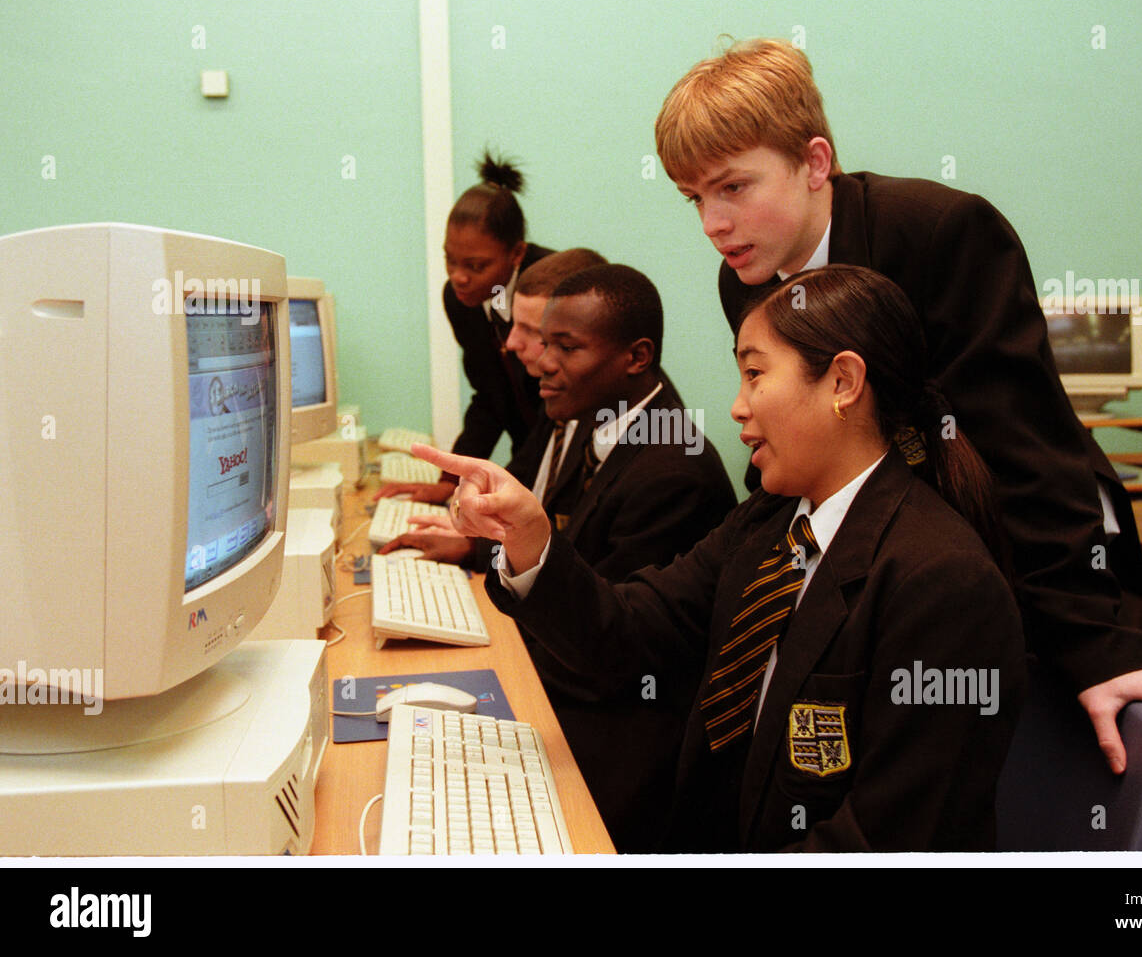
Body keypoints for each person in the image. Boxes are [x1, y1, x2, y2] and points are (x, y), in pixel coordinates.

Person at [653, 37, 1142, 772]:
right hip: (900, 553)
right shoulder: (745, 277)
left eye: (733, 188)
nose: (713, 223)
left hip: (1021, 541)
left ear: (815, 163)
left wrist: (1095, 640)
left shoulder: (941, 232)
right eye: (694, 198)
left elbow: (1022, 444)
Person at [414, 266, 1026, 852]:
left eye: (755, 375)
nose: (737, 406)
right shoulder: (772, 519)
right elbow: (629, 631)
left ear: (843, 382)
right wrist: (528, 538)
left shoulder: (942, 583)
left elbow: (884, 842)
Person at [396, 263, 737, 851]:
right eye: (543, 342)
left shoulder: (672, 471)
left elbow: (610, 649)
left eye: (566, 347)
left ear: (636, 356)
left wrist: (475, 696)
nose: (541, 363)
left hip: (626, 741)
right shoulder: (593, 417)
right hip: (583, 686)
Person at [381, 151, 551, 506]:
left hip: (567, 456)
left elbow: (561, 414)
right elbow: (489, 396)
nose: (458, 277)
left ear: (517, 254)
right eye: (450, 259)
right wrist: (453, 480)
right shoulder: (461, 299)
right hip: (530, 453)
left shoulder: (553, 287)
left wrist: (507, 491)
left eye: (475, 265)